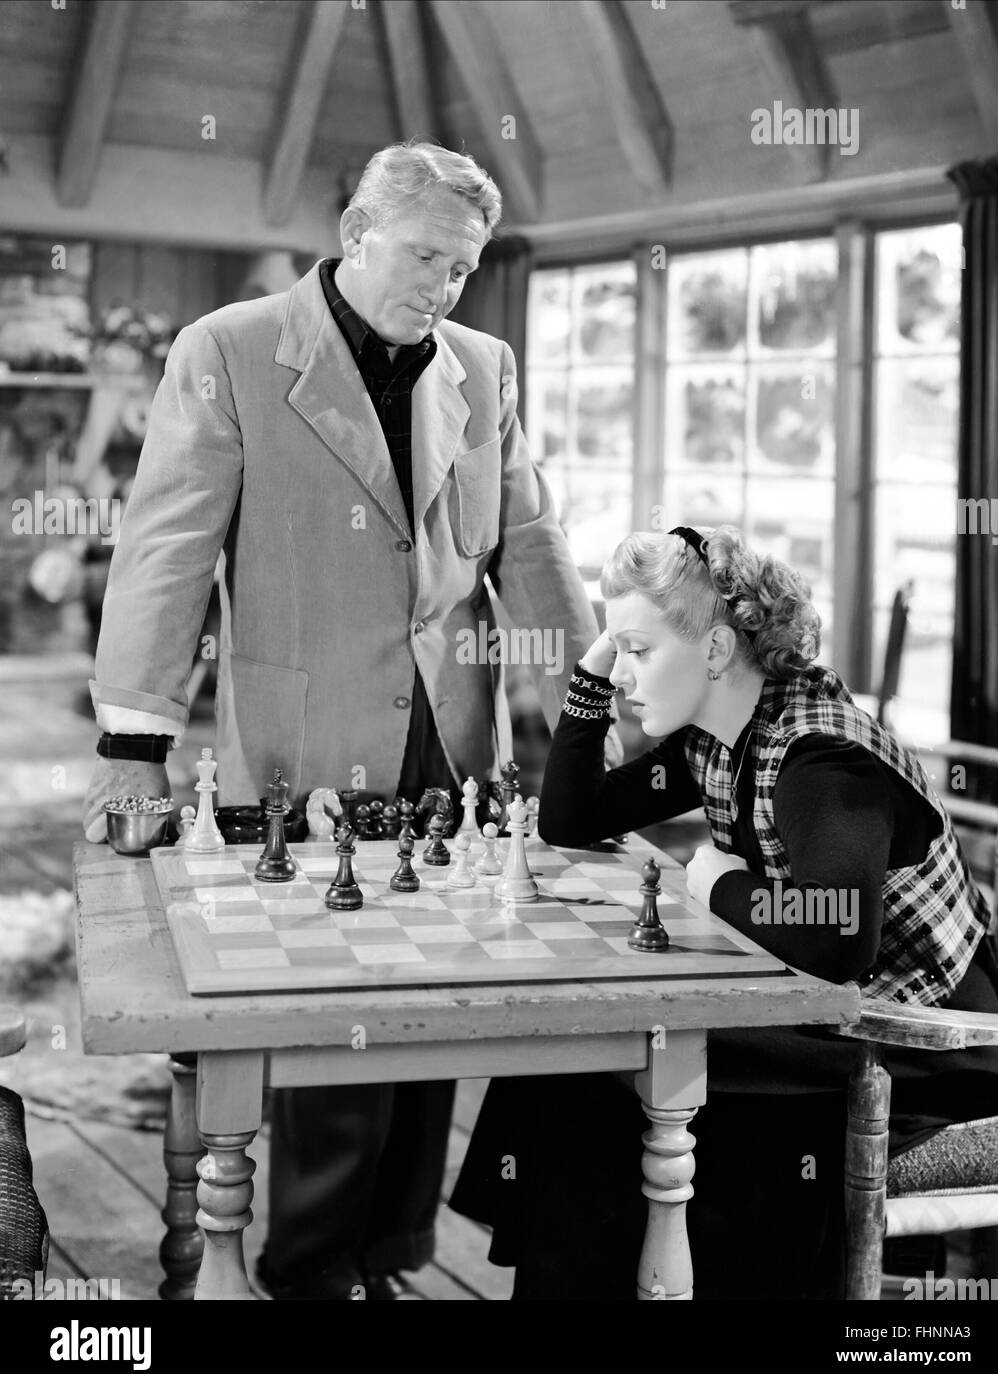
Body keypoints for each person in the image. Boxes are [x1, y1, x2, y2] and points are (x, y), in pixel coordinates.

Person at [82, 141, 611, 1299]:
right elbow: (165, 554)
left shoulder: (484, 364)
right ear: (355, 229)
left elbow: (530, 542)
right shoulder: (226, 349)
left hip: (454, 738)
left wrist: (592, 702)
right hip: (301, 742)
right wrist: (133, 745)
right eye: (424, 255)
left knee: (437, 996)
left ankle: (390, 1254)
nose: (443, 285)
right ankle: (310, 1264)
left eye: (464, 267)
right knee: (329, 1012)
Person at [450, 523, 998, 1300]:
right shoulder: (718, 737)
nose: (623, 674)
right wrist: (591, 671)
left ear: (715, 651)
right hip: (825, 1014)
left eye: (639, 651)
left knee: (612, 1051)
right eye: (620, 653)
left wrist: (711, 882)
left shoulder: (818, 757)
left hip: (920, 1045)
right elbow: (571, 817)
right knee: (584, 1045)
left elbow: (839, 934)